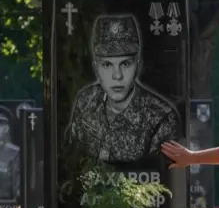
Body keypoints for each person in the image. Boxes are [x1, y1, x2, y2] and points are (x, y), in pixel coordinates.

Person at [65, 14, 180, 162]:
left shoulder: (161, 119)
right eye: (107, 65)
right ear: (96, 68)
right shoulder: (86, 101)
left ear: (137, 66)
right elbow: (69, 159)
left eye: (125, 64)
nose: (117, 76)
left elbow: (164, 178)